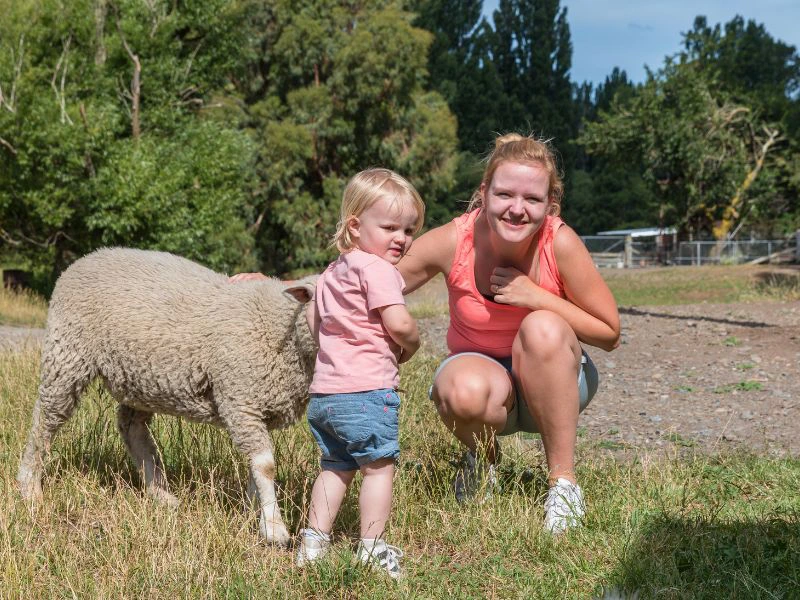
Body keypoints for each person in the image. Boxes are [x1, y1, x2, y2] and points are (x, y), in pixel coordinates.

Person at [396, 133, 620, 534]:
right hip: (484, 386)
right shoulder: (455, 239)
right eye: (504, 195)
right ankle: (484, 463)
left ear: (550, 203)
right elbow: (373, 280)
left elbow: (609, 333)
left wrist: (536, 297)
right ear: (484, 193)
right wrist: (298, 289)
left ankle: (563, 485)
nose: (517, 209)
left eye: (532, 199)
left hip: (556, 383)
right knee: (460, 388)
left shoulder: (559, 242)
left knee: (542, 327)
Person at [294, 168, 424, 578]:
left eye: (409, 229)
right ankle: (372, 547)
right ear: (355, 226)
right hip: (367, 392)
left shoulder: (330, 274)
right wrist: (412, 344)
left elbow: (315, 324)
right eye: (390, 227)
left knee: (334, 467)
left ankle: (313, 543)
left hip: (325, 396)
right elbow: (398, 323)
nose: (401, 238)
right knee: (378, 468)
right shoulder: (378, 269)